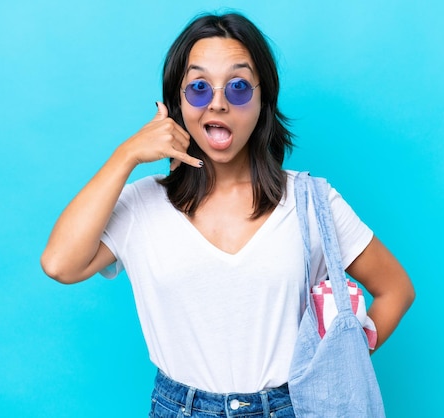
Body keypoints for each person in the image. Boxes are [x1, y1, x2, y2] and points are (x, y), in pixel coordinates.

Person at [41, 12, 415, 418]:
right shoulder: (142, 205)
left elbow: (396, 290)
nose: (217, 102)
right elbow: (60, 264)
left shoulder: (310, 201)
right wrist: (126, 155)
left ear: (263, 100)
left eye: (238, 87)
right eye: (198, 87)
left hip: (291, 408)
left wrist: (337, 368)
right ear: (176, 103)